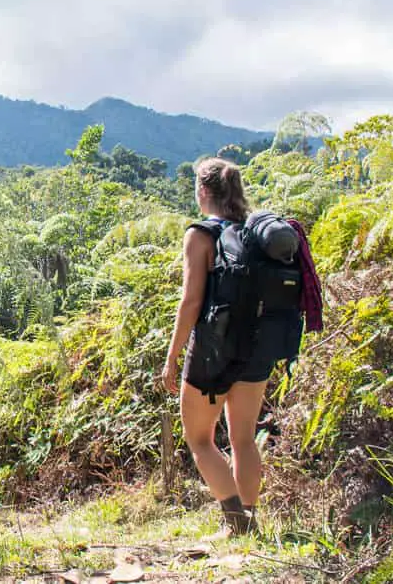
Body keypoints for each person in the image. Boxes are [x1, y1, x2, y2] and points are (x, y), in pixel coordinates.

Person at [159, 157, 266, 535]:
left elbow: (191, 302)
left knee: (201, 440)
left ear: (204, 191)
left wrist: (172, 356)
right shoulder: (254, 234)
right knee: (243, 438)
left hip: (212, 351)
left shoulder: (200, 235)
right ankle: (249, 518)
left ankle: (236, 522)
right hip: (256, 349)